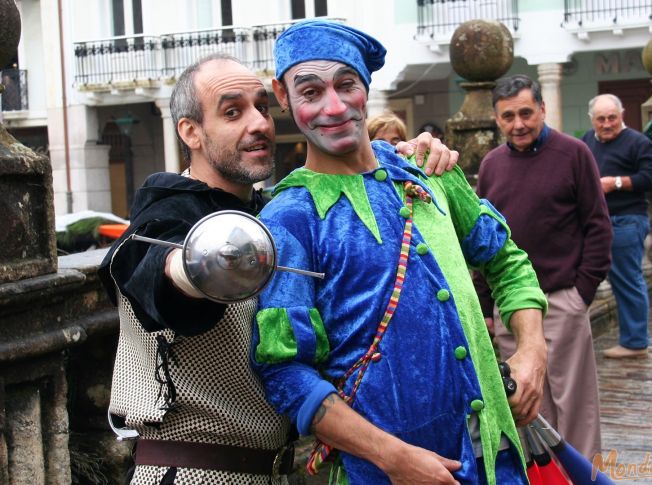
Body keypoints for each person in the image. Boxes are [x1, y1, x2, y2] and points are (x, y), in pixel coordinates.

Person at [97, 52, 459, 484]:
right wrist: (190, 268)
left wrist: (401, 160)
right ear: (190, 131)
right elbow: (162, 276)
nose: (259, 124)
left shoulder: (277, 214)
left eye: (262, 107)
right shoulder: (163, 218)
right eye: (232, 112)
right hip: (192, 472)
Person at [252, 20, 548, 485]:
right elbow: (285, 372)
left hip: (497, 457)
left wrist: (532, 351)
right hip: (382, 474)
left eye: (346, 85)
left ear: (365, 87)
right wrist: (392, 457)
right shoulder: (290, 219)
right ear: (283, 97)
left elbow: (507, 260)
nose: (334, 107)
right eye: (310, 92)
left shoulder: (429, 170)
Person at [475, 74, 612, 461]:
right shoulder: (491, 166)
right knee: (526, 407)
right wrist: (486, 308)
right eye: (508, 116)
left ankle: (583, 475)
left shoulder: (574, 154)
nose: (518, 124)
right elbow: (483, 242)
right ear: (496, 119)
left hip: (562, 300)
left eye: (525, 113)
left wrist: (581, 293)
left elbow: (598, 226)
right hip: (510, 310)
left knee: (577, 408)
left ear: (542, 109)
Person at [581, 94, 652, 359]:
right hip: (595, 221)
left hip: (627, 219)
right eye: (601, 119)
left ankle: (636, 342)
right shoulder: (586, 141)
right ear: (592, 119)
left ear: (622, 115)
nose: (607, 124)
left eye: (612, 118)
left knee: (628, 280)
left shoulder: (638, 142)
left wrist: (615, 183)